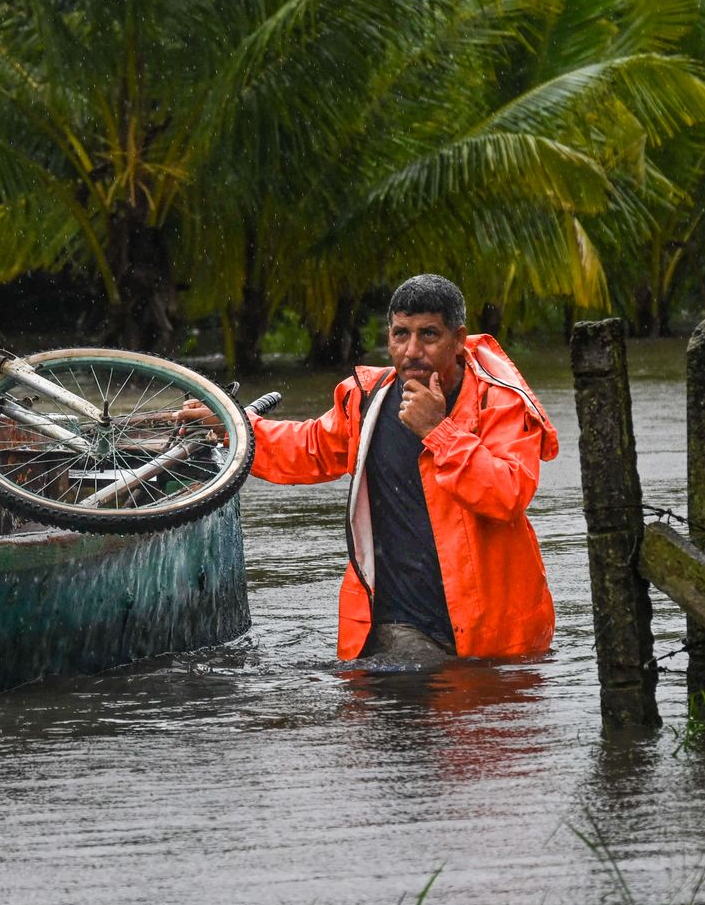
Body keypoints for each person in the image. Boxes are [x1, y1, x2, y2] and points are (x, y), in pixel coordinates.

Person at [190, 274, 558, 661]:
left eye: (428, 335)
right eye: (401, 334)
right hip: (397, 627)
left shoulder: (498, 403)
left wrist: (439, 432)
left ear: (459, 339)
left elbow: (507, 494)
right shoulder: (367, 401)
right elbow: (310, 447)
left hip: (493, 636)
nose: (412, 350)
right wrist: (232, 428)